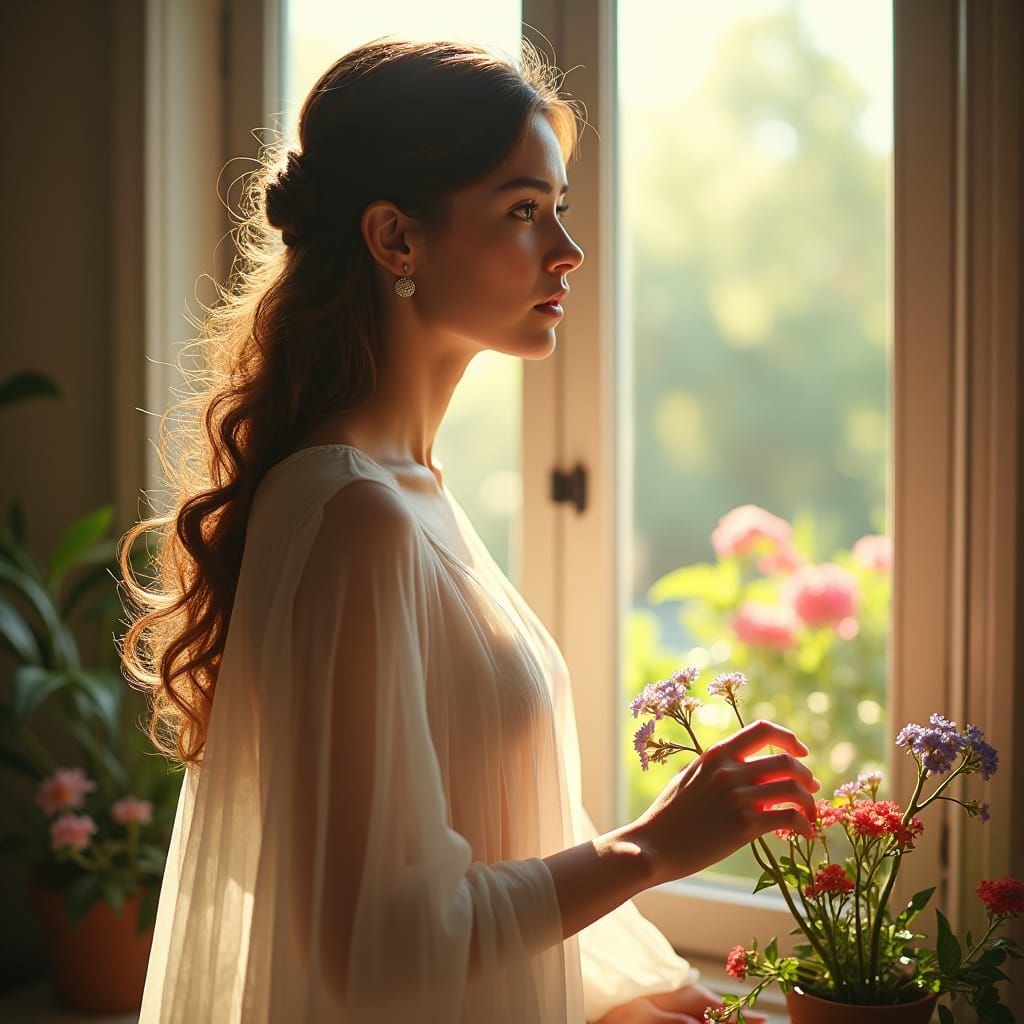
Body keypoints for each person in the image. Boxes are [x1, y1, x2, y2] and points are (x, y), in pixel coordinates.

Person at [118, 36, 818, 1023]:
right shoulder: (354, 516)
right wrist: (651, 846)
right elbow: (382, 947)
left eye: (558, 208)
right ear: (395, 240)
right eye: (523, 211)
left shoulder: (411, 495)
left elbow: (496, 846)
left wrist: (625, 996)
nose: (566, 249)